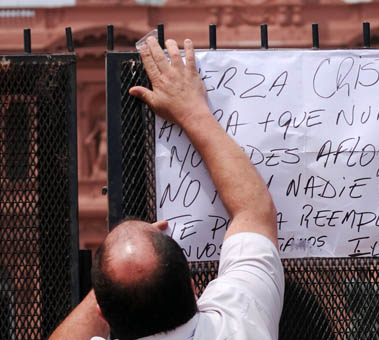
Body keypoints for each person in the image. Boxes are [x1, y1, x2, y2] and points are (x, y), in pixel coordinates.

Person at [48, 36, 284, 340]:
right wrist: (192, 111)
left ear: (102, 314)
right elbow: (254, 210)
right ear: (190, 285)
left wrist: (118, 281)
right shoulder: (241, 323)